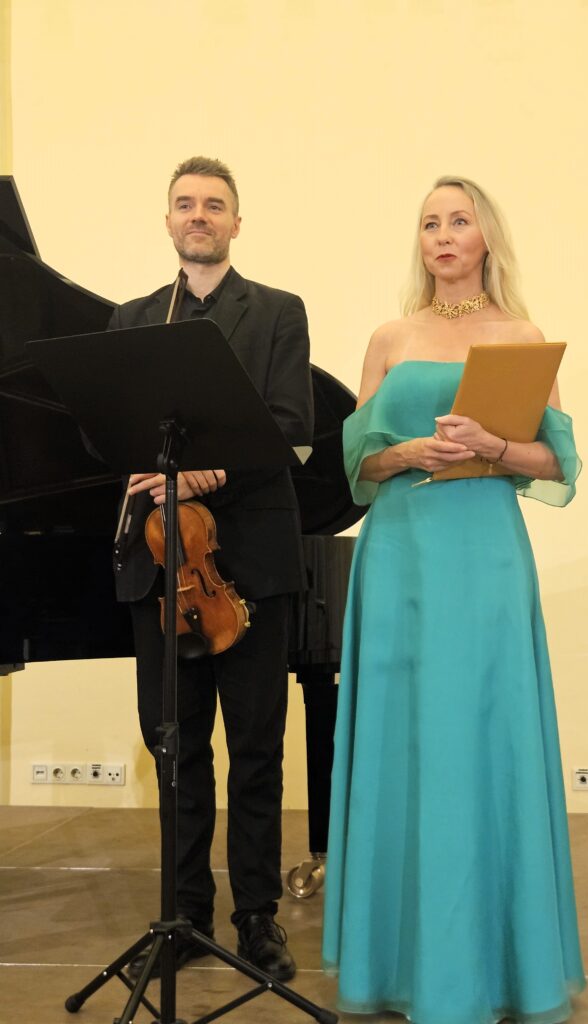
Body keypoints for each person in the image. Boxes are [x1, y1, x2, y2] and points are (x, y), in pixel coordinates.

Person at [322, 176, 585, 1024]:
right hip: (400, 556)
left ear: (485, 238)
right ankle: (397, 964)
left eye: (459, 220)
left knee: (484, 735)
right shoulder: (390, 337)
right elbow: (355, 465)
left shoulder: (522, 337)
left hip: (484, 557)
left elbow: (556, 463)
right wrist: (402, 455)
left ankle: (495, 970)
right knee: (405, 739)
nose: (442, 234)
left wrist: (493, 444)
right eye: (430, 222)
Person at [110, 156, 313, 981]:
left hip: (250, 562)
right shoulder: (129, 322)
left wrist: (203, 477)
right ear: (168, 220)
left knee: (255, 749)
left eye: (215, 205)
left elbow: (291, 427)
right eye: (186, 204)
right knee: (176, 750)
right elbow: (106, 431)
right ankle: (185, 914)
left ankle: (257, 916)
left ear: (235, 222)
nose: (199, 215)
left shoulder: (277, 312)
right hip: (160, 565)